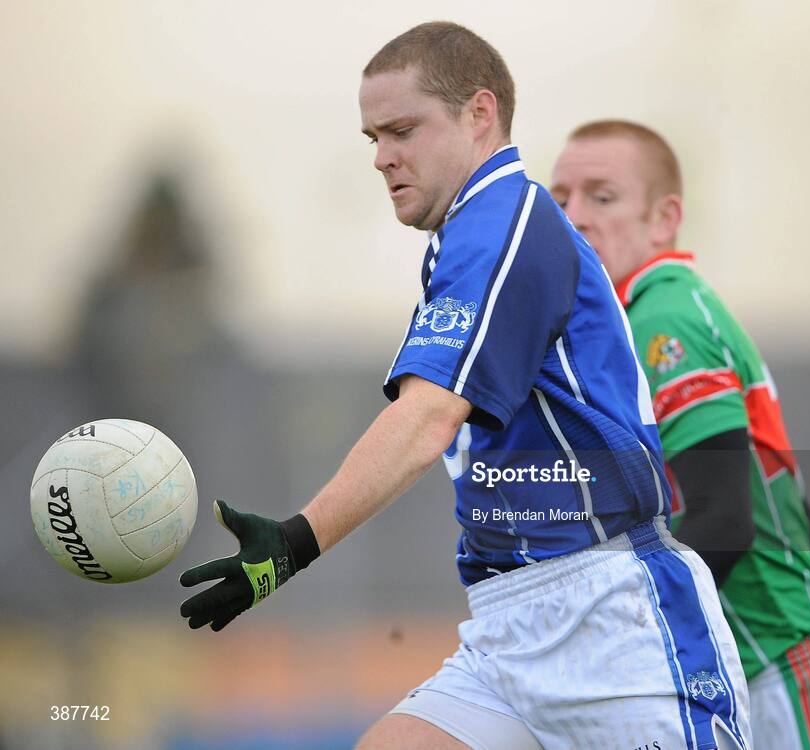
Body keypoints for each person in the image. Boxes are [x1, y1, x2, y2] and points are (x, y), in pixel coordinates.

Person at [178, 24, 752, 750]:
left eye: (403, 130)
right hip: (509, 625)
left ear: (480, 115)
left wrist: (295, 542)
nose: (383, 157)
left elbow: (426, 421)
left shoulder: (507, 222)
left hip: (615, 623)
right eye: (373, 138)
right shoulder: (467, 239)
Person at [551, 119, 810, 750]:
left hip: (783, 679)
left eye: (601, 197)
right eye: (560, 199)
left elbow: (724, 524)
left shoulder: (664, 318)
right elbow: (786, 509)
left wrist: (609, 635)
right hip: (754, 677)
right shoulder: (629, 323)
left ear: (664, 220)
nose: (574, 217)